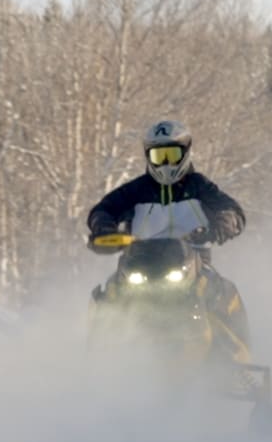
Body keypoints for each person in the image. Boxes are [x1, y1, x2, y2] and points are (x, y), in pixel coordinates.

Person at [87, 119, 250, 349]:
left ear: (185, 153)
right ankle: (95, 359)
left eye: (171, 155)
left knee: (224, 293)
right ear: (148, 156)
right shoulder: (135, 191)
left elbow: (232, 211)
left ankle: (237, 366)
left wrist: (223, 224)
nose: (165, 164)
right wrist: (103, 228)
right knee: (107, 296)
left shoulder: (199, 187)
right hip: (138, 265)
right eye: (158, 156)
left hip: (194, 266)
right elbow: (103, 210)